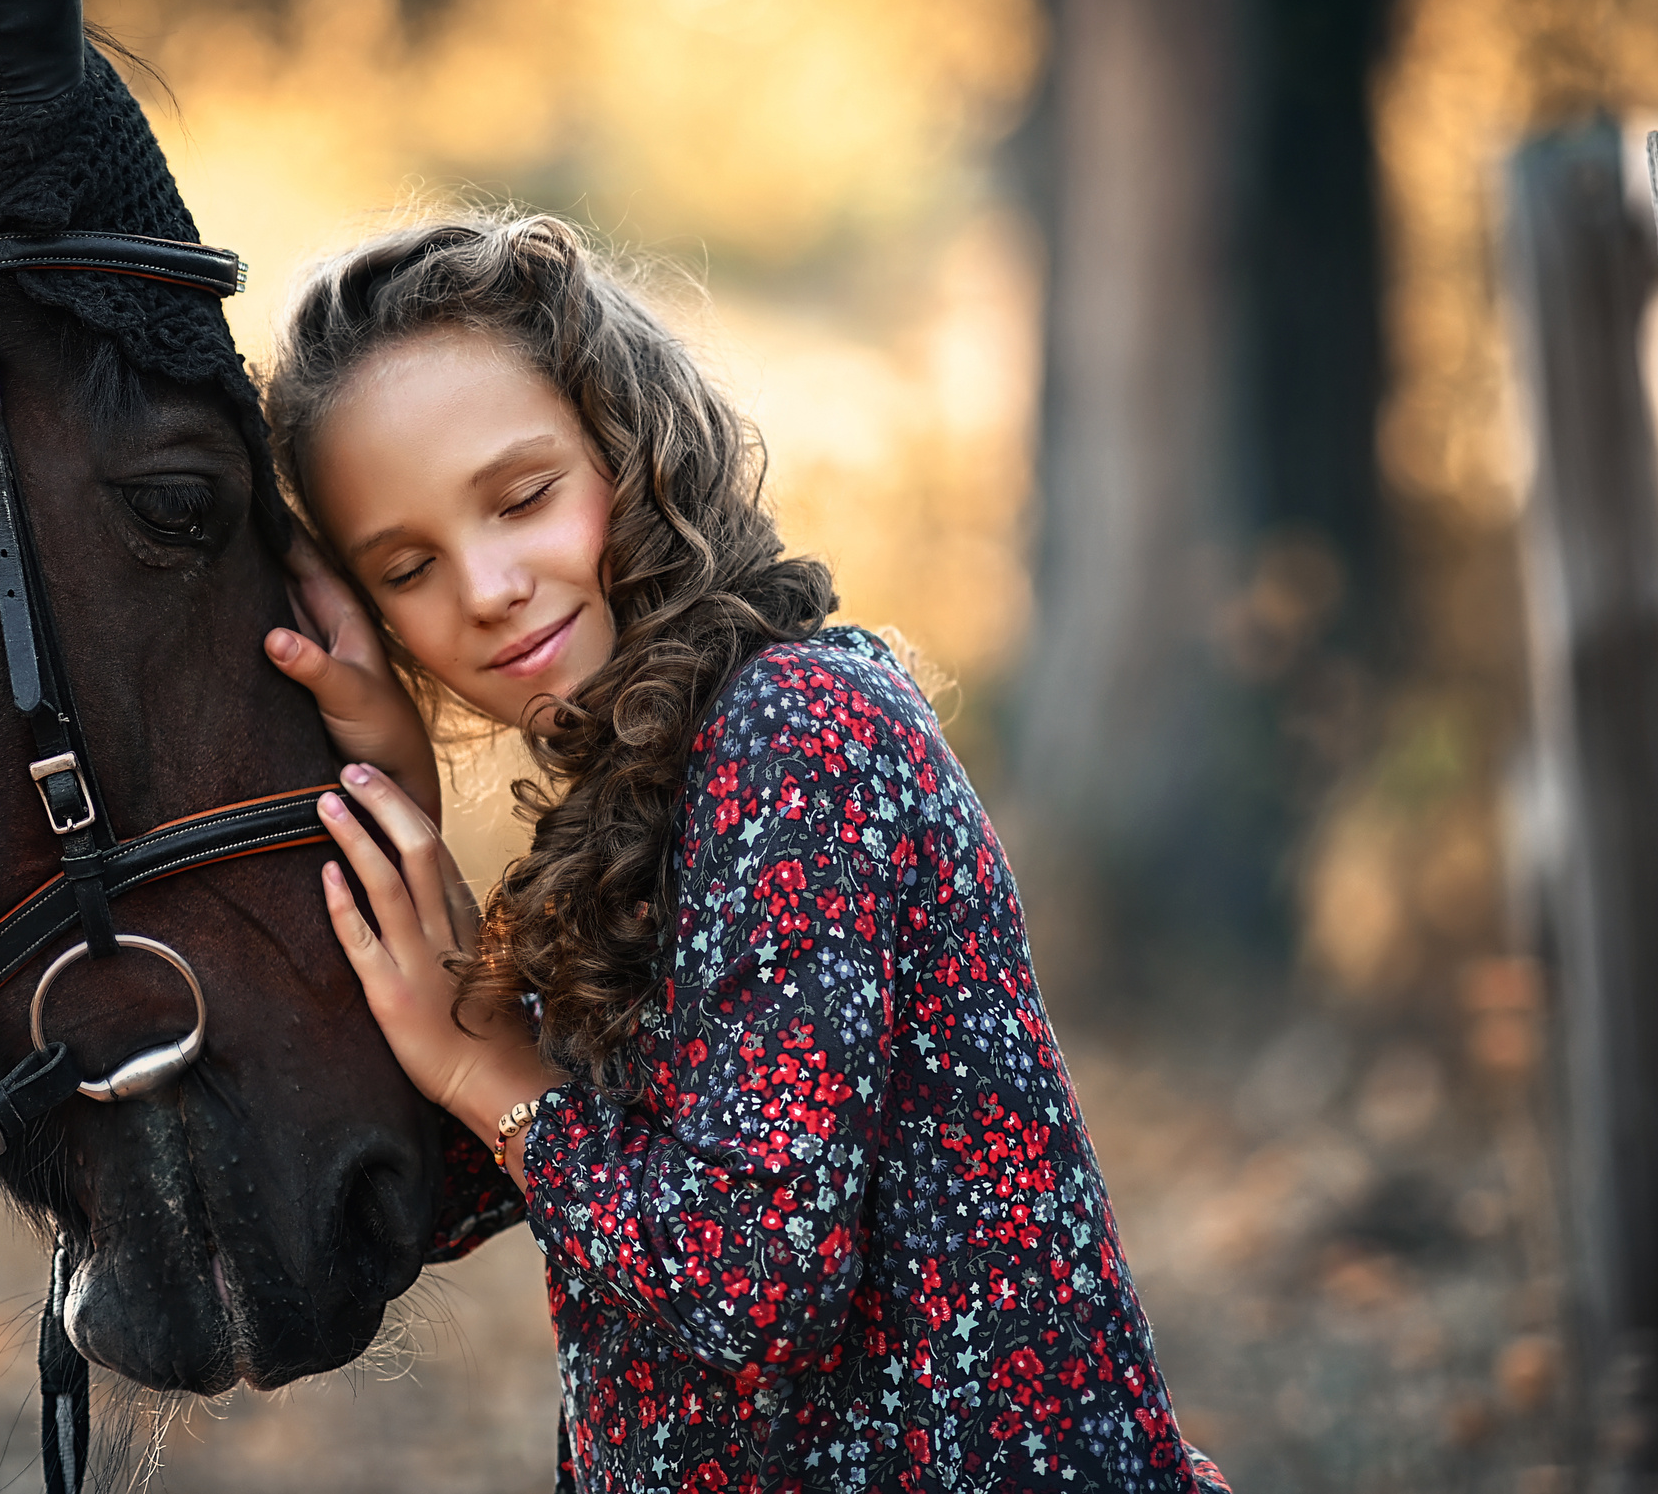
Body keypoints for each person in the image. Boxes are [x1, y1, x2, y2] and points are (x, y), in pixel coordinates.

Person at [258, 212, 1229, 1494]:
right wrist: (397, 789)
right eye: (408, 566)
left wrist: (491, 1080)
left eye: (523, 496)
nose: (485, 585)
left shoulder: (795, 735)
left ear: (629, 438)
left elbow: (749, 1284)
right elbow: (429, 1196)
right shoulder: (641, 802)